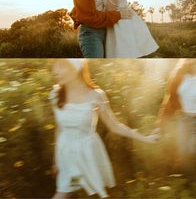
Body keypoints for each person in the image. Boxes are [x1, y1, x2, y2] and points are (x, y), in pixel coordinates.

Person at [50, 58, 158, 198]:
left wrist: (145, 138)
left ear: (76, 68)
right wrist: (56, 160)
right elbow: (59, 129)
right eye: (54, 67)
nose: (55, 72)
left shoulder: (95, 95)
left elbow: (114, 126)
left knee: (95, 193)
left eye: (61, 67)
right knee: (64, 191)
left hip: (88, 152)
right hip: (67, 153)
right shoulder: (55, 94)